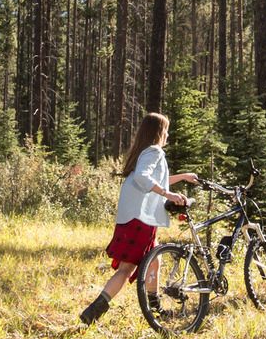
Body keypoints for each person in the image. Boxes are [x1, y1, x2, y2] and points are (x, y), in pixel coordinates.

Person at [80, 110, 198, 325]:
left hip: (133, 218)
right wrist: (168, 194)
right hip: (140, 220)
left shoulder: (145, 152)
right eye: (167, 131)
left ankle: (156, 308)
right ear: (159, 132)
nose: (168, 136)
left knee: (155, 261)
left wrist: (183, 177)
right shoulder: (154, 152)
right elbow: (145, 178)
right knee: (127, 269)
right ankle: (94, 311)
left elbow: (155, 179)